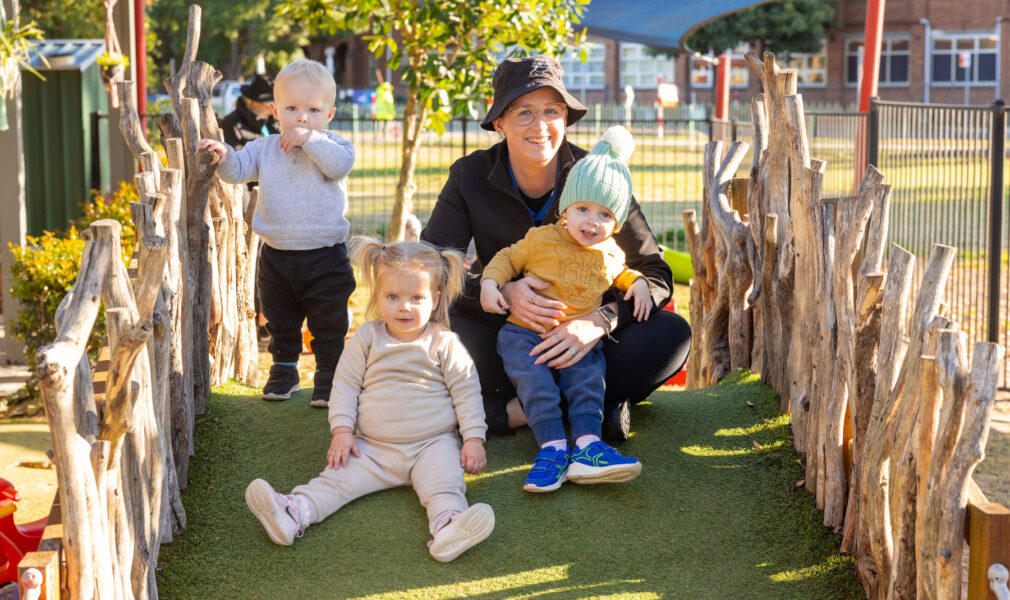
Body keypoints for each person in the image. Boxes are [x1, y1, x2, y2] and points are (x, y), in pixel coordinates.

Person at [421, 55, 692, 440]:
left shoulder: (600, 176)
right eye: (524, 112)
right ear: (499, 122)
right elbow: (431, 266)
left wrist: (601, 320)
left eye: (552, 110)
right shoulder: (470, 175)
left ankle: (512, 413)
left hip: (589, 345)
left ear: (565, 118)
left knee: (671, 334)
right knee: (439, 326)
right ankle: (583, 409)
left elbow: (655, 271)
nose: (540, 125)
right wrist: (501, 291)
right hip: (509, 336)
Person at [244, 238, 495, 563]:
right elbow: (345, 386)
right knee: (335, 482)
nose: (404, 306)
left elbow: (466, 391)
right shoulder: (367, 338)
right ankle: (294, 512)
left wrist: (473, 439)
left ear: (434, 299)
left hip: (432, 444)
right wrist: (342, 432)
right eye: (393, 297)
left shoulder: (444, 342)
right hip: (371, 448)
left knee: (445, 486)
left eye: (415, 298)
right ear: (378, 296)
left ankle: (449, 526)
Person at [480, 125, 649, 492]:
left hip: (578, 338)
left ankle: (588, 446)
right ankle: (553, 448)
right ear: (565, 209)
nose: (592, 221)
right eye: (583, 209)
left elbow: (622, 272)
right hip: (525, 334)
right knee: (536, 383)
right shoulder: (541, 239)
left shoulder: (610, 252)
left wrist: (637, 284)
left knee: (589, 380)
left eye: (605, 215)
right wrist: (491, 284)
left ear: (617, 222)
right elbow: (507, 258)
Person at [198, 58, 356, 406]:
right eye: (292, 108)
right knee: (280, 320)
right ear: (275, 111)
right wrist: (224, 154)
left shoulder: (335, 146)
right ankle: (284, 371)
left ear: (329, 115)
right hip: (277, 256)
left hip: (325, 256)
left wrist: (309, 140)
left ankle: (329, 378)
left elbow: (339, 167)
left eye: (313, 110)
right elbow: (238, 171)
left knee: (328, 323)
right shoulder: (265, 147)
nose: (302, 117)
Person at [219, 73, 280, 151]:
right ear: (256, 102)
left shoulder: (272, 122)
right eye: (273, 102)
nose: (277, 106)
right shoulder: (230, 124)